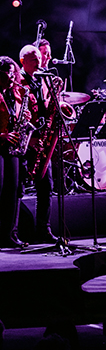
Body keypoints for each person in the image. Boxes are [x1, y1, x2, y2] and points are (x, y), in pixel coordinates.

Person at [18, 44, 58, 243]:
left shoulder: (40, 80)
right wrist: (29, 137)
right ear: (23, 61)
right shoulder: (18, 81)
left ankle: (44, 229)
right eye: (34, 59)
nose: (39, 62)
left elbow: (44, 107)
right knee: (17, 188)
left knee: (46, 186)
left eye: (39, 59)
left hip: (41, 141)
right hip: (25, 142)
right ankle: (15, 231)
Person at [0, 57, 28, 248]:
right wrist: (2, 135)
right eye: (7, 73)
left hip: (12, 147)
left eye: (13, 73)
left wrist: (23, 117)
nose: (12, 77)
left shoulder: (12, 94)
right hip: (1, 144)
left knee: (13, 190)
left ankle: (9, 234)